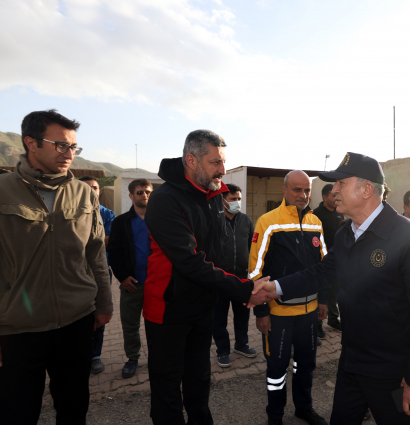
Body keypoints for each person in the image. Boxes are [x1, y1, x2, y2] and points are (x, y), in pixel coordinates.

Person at [257, 152, 410, 425]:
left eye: (340, 184)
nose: (333, 191)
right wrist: (273, 287)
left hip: (390, 370)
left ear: (366, 189)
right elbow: (321, 273)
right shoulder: (347, 233)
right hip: (352, 362)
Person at [0, 109, 113, 424]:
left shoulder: (84, 193)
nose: (69, 154)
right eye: (60, 145)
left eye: (73, 147)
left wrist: (103, 303)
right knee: (15, 414)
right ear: (31, 143)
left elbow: (95, 253)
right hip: (16, 331)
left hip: (76, 322)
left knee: (74, 409)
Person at [142, 130, 276, 425]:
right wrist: (243, 290)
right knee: (167, 389)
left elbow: (216, 255)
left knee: (199, 379)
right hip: (168, 311)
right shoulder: (165, 200)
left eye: (223, 161)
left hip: (202, 306)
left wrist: (242, 283)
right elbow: (190, 262)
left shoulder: (214, 196)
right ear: (191, 160)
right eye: (215, 162)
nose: (223, 170)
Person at [249, 170, 328, 425]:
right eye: (297, 190)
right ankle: (275, 416)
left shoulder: (316, 222)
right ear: (284, 191)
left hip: (309, 314)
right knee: (276, 371)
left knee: (305, 366)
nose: (303, 195)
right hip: (279, 316)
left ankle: (304, 408)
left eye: (307, 190)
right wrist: (261, 313)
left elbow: (324, 266)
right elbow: (255, 271)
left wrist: (323, 300)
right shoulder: (268, 222)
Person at [108, 178, 153, 378]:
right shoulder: (121, 222)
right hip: (132, 284)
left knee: (157, 325)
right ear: (131, 196)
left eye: (148, 192)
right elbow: (114, 252)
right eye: (140, 192)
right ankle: (132, 358)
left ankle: (157, 357)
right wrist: (123, 277)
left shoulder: (160, 220)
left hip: (156, 284)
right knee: (130, 324)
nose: (145, 195)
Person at [212, 183, 257, 368]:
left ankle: (242, 344)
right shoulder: (214, 220)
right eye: (233, 199)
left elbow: (252, 247)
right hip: (220, 279)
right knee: (219, 317)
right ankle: (222, 351)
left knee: (242, 314)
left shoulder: (246, 220)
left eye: (239, 199)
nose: (237, 202)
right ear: (223, 201)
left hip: (241, 278)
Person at [80, 176, 117, 374]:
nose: (92, 191)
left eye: (94, 187)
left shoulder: (108, 214)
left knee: (99, 312)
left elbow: (105, 242)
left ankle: (95, 355)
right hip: (74, 273)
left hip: (100, 272)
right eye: (86, 188)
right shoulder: (69, 212)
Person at [312, 183, 344, 334]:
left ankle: (333, 320)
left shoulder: (339, 213)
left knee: (334, 292)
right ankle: (317, 325)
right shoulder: (315, 214)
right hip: (321, 260)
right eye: (333, 195)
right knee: (321, 292)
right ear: (325, 197)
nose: (336, 198)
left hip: (337, 259)